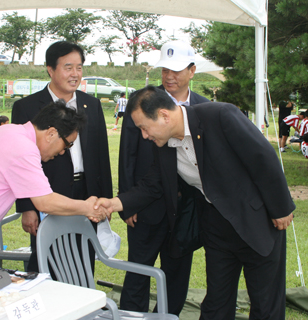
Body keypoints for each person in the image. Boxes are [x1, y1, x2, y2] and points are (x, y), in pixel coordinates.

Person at [97, 86, 295, 320]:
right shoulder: (164, 145)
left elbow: (263, 157)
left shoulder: (221, 116)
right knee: (216, 303)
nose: (144, 135)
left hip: (256, 221)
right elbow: (153, 184)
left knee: (265, 303)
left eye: (144, 127)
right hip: (216, 228)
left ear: (164, 115)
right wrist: (114, 204)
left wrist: (281, 208)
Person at [0, 100, 108, 271]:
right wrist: (87, 207)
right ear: (51, 133)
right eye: (67, 145)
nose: (62, 152)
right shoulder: (23, 147)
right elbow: (45, 202)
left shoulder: (13, 132)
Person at [118, 40, 209, 315]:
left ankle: (167, 316)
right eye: (165, 70)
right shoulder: (143, 102)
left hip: (187, 210)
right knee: (138, 271)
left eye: (177, 70)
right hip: (147, 206)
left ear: (192, 71)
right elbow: (127, 156)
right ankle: (132, 315)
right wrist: (128, 204)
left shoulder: (204, 108)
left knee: (177, 274)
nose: (169, 76)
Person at [11, 41, 113, 273]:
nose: (75, 74)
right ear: (50, 69)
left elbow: (100, 155)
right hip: (48, 195)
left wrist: (104, 200)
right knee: (46, 259)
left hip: (87, 192)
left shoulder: (92, 105)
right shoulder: (27, 107)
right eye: (68, 67)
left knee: (84, 258)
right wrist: (28, 207)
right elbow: (20, 162)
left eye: (79, 67)